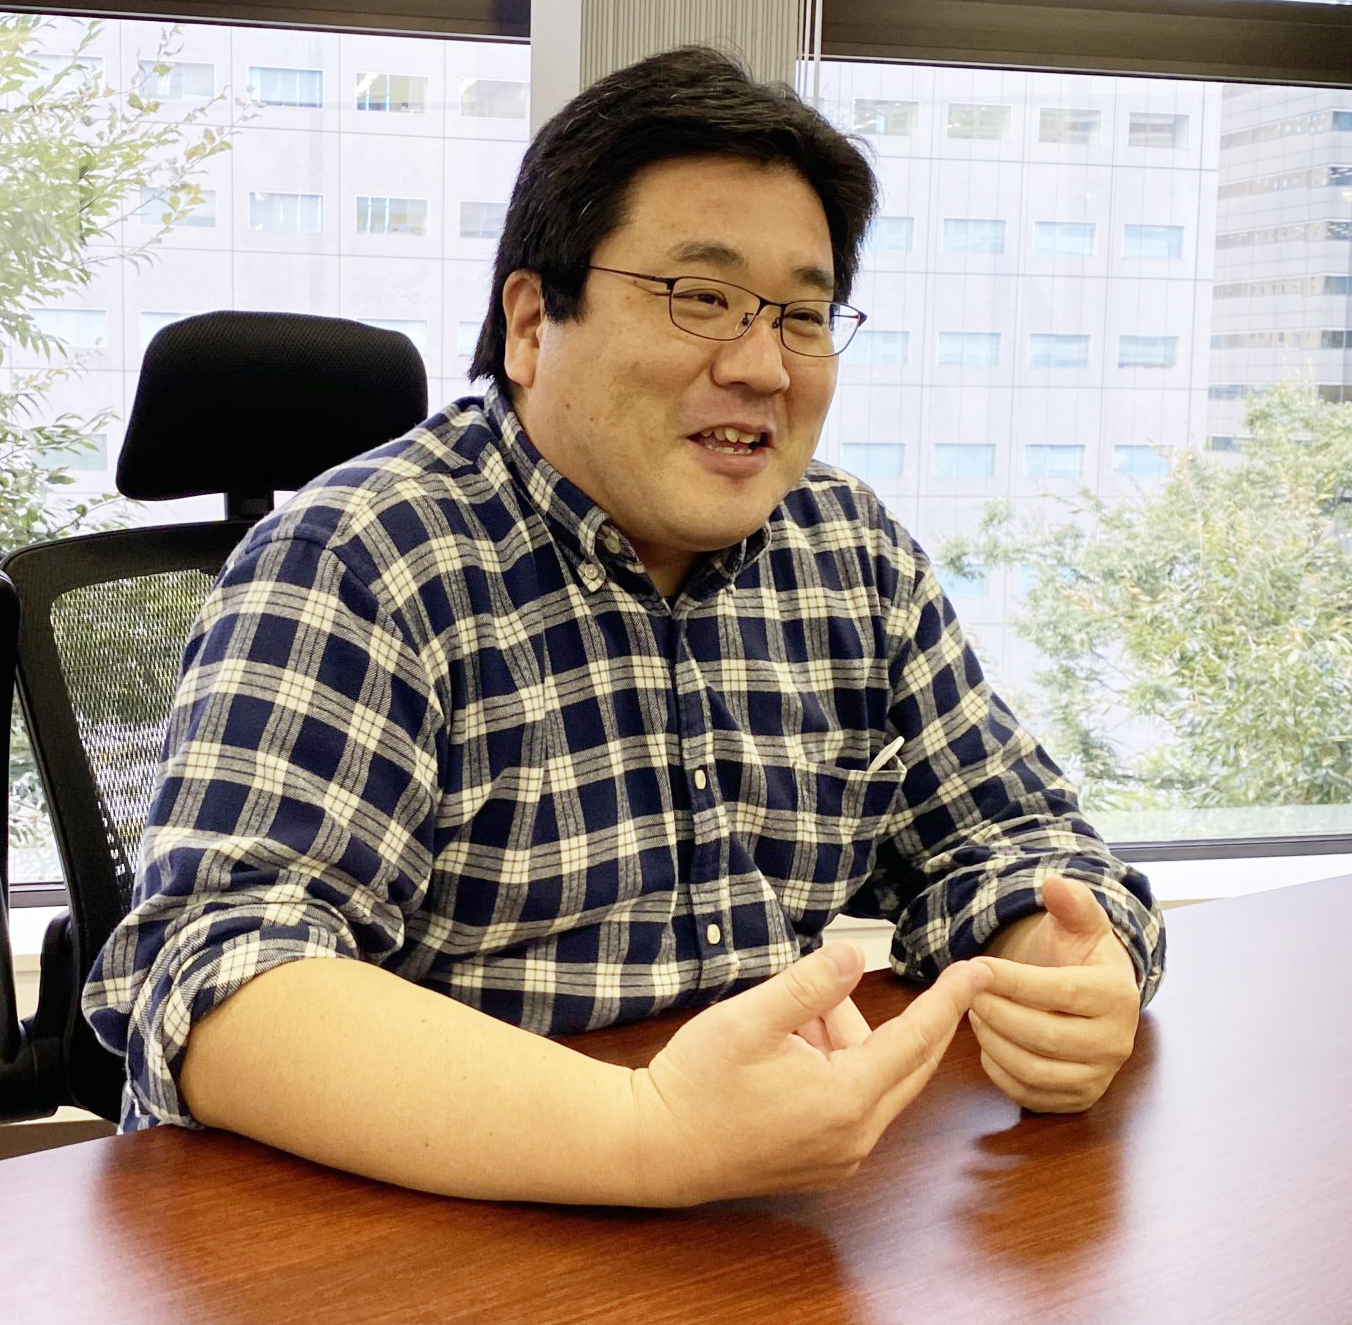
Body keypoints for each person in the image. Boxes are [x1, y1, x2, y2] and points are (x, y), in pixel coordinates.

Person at [82, 45, 1165, 1208]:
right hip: (432, 1221)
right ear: (531, 322)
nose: (762, 366)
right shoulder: (359, 557)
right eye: (700, 297)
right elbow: (221, 975)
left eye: (802, 315)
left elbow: (1016, 838)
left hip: (770, 1208)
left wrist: (1070, 961)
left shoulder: (846, 548)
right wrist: (647, 1130)